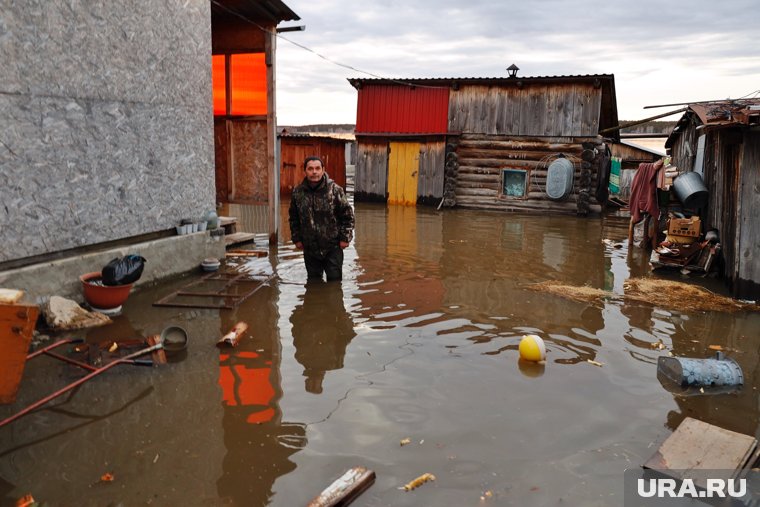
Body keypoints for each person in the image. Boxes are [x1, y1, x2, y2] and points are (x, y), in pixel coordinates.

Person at [288, 156, 354, 281]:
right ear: (305, 171)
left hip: (333, 247)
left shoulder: (335, 190)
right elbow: (293, 218)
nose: (314, 172)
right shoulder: (298, 193)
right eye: (310, 169)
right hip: (310, 248)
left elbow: (348, 216)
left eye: (318, 168)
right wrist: (296, 238)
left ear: (323, 170)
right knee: (313, 283)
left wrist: (345, 238)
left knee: (334, 284)